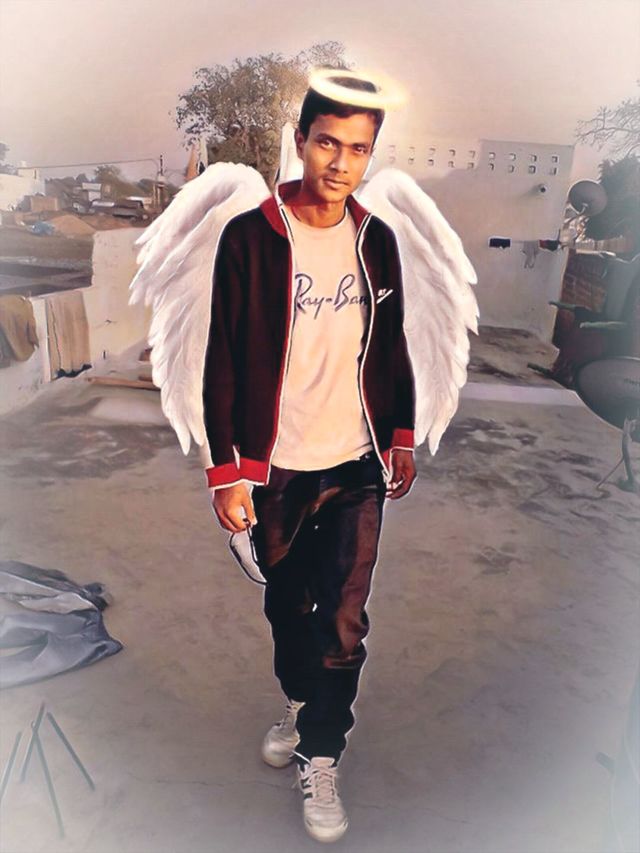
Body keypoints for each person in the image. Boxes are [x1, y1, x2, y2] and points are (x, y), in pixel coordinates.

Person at [202, 76, 417, 843]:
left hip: (355, 463)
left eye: (358, 148)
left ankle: (321, 752)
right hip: (278, 468)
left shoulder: (377, 239)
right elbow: (222, 358)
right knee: (288, 607)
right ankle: (300, 703)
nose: (340, 162)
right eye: (328, 142)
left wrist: (400, 433)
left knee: (345, 621)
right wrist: (227, 471)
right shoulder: (250, 236)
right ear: (300, 140)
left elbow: (389, 346)